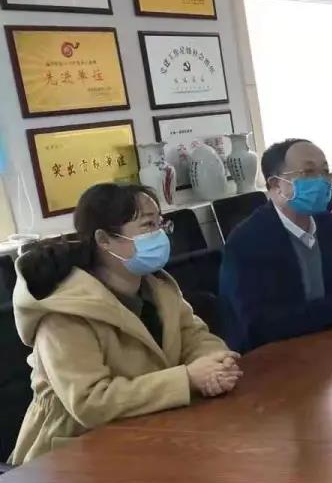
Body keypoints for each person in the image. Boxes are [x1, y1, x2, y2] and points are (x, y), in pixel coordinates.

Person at [9, 184, 240, 465]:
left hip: (151, 431)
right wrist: (188, 379)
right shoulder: (64, 310)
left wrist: (216, 362)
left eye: (160, 224)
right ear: (104, 240)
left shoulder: (157, 286)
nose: (159, 234)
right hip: (72, 455)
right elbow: (91, 403)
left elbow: (194, 335)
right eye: (147, 225)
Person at [219, 139, 332, 353]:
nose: (322, 181)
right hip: (275, 358)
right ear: (276, 185)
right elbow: (258, 325)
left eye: (325, 172)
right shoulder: (246, 241)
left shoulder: (326, 223)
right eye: (308, 172)